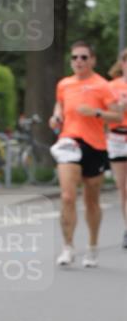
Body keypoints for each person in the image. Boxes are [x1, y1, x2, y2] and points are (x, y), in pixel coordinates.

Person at [49, 40, 122, 268]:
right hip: (69, 141)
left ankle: (92, 246)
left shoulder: (103, 85)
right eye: (74, 57)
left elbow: (117, 117)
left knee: (92, 200)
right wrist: (56, 117)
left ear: (92, 60)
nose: (78, 61)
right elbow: (59, 105)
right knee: (67, 196)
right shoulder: (64, 84)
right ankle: (67, 247)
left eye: (83, 57)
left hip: (96, 146)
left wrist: (96, 112)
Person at [107, 48, 127, 248]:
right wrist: (118, 108)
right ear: (122, 64)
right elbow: (107, 109)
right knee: (122, 189)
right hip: (116, 137)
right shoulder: (111, 86)